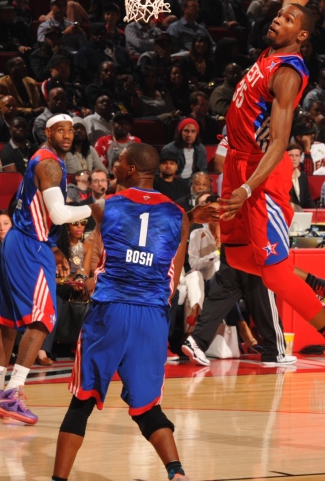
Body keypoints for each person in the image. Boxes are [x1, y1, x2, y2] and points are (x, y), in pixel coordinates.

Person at [218, 0, 325, 404]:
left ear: (301, 35)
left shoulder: (288, 71)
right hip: (239, 165)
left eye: (287, 20)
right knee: (241, 260)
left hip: (261, 173)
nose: (278, 18)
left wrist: (248, 186)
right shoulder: (270, 53)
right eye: (279, 16)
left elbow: (282, 143)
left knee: (274, 272)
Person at [53, 143, 214, 481]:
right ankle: (177, 473)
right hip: (153, 316)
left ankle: (58, 480)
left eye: (119, 163)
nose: (114, 166)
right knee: (147, 407)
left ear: (128, 170)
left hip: (111, 311)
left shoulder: (104, 206)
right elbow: (173, 280)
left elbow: (61, 216)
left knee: (82, 401)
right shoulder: (177, 216)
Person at [0, 114, 93, 423]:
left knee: (5, 319)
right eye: (61, 130)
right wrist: (94, 206)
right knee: (43, 318)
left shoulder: (41, 160)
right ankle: (12, 394)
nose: (68, 135)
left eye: (71, 130)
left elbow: (36, 209)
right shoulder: (50, 164)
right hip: (30, 246)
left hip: (18, 241)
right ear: (47, 132)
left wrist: (55, 247)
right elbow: (57, 214)